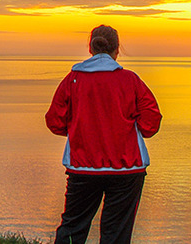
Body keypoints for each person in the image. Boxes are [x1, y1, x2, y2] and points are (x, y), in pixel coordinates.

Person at [45, 25, 162, 244]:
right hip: (128, 167)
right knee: (116, 234)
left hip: (83, 166)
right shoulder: (131, 81)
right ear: (117, 49)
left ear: (90, 48)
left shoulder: (72, 80)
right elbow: (151, 122)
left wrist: (79, 130)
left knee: (72, 228)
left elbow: (54, 121)